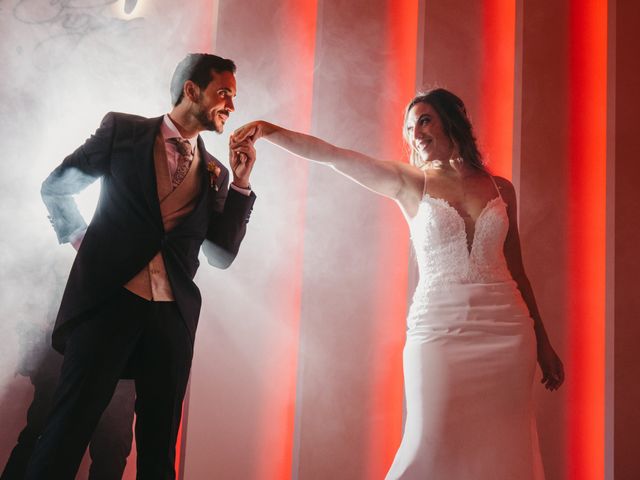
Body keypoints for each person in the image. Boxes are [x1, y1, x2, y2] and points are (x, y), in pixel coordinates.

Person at [232, 88, 564, 479]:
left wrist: (542, 342)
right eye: (409, 127)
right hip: (440, 331)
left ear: (451, 121)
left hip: (508, 333)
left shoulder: (500, 188)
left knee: (507, 446)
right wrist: (269, 131)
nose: (416, 133)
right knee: (429, 442)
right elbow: (334, 156)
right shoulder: (409, 181)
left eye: (424, 120)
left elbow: (519, 271)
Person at [25, 53, 257, 480]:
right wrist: (83, 241)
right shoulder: (123, 131)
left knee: (158, 449)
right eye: (224, 92)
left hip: (171, 319)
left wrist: (241, 183)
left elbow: (221, 255)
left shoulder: (217, 172)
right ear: (192, 90)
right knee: (65, 431)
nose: (232, 105)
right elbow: (55, 187)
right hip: (107, 305)